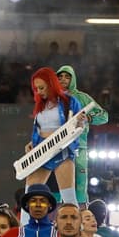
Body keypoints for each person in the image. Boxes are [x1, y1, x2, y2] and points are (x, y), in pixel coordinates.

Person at [24, 67, 86, 204]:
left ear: (51, 84)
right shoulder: (40, 105)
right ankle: (25, 225)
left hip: (62, 150)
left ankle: (75, 224)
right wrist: (32, 143)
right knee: (30, 196)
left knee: (69, 197)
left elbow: (80, 125)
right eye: (36, 89)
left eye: (41, 87)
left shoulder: (69, 101)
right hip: (41, 151)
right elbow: (38, 129)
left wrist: (81, 122)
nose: (39, 92)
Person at [56, 65, 109, 208]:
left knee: (80, 183)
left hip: (79, 146)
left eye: (67, 77)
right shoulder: (51, 99)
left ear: (73, 79)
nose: (63, 80)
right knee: (56, 184)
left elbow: (104, 116)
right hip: (55, 148)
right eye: (60, 77)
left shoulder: (83, 98)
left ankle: (81, 216)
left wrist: (89, 118)